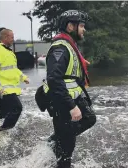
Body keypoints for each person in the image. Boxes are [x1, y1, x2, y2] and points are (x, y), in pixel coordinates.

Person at [38, 10, 96, 167]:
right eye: (81, 26)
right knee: (66, 150)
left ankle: (56, 140)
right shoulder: (60, 47)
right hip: (61, 100)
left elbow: (66, 72)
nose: (84, 29)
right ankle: (60, 146)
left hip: (70, 96)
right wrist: (71, 106)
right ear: (71, 26)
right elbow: (54, 79)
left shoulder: (69, 44)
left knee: (89, 118)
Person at [0, 29, 30, 131]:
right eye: (12, 37)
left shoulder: (6, 50)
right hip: (3, 88)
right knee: (17, 108)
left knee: (4, 113)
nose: (13, 40)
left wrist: (23, 77)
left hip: (6, 88)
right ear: (5, 37)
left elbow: (12, 69)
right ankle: (2, 131)